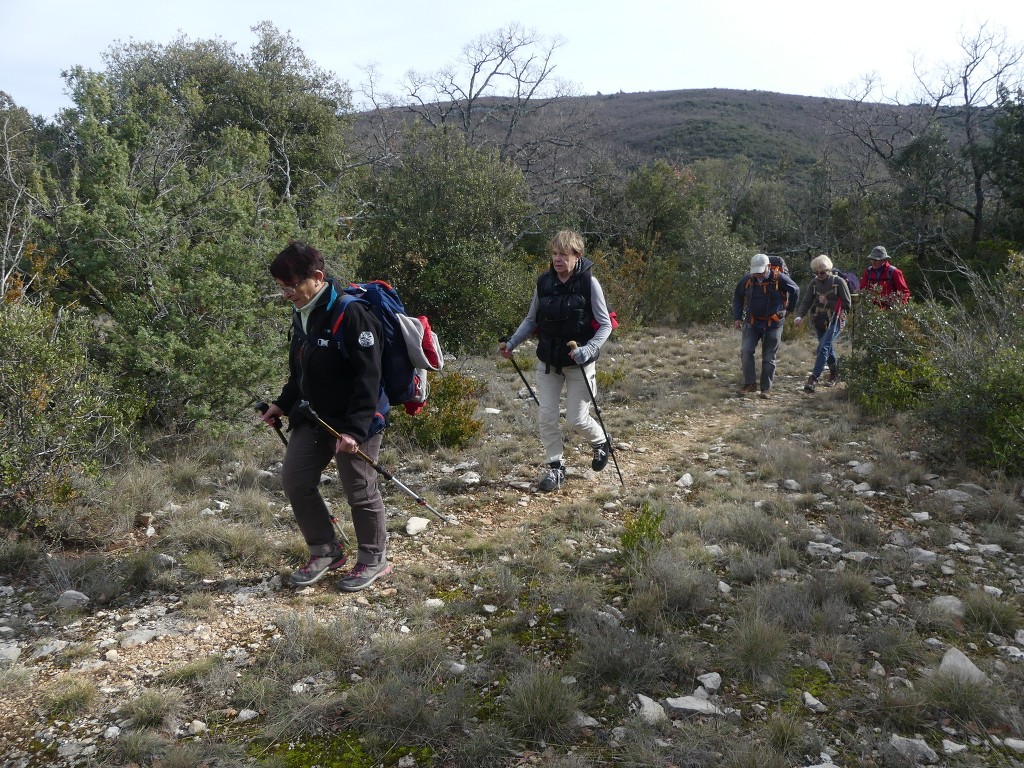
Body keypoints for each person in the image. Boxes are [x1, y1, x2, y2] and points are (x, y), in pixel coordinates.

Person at [259, 241, 392, 592]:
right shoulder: (302, 311)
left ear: (317, 277)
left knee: (359, 490)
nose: (286, 294)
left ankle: (373, 558)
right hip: (314, 416)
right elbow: (300, 371)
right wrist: (282, 404)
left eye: (290, 286)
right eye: (281, 287)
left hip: (355, 420)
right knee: (295, 481)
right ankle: (326, 550)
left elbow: (370, 378)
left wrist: (354, 430)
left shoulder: (352, 313)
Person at [498, 230, 614, 492]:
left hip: (580, 365)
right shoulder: (544, 283)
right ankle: (555, 468)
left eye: (563, 254)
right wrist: (513, 343)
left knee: (575, 418)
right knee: (547, 417)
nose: (557, 259)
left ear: (577, 256)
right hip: (548, 362)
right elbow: (531, 319)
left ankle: (601, 441)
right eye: (554, 254)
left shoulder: (589, 284)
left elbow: (605, 324)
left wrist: (589, 348)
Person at [732, 253, 800, 399]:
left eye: (760, 271)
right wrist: (737, 318)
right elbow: (738, 296)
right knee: (746, 351)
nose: (758, 274)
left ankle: (765, 389)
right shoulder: (748, 279)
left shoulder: (779, 278)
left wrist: (789, 309)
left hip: (773, 324)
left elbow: (795, 290)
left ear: (768, 267)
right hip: (752, 322)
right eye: (755, 271)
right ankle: (750, 384)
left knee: (769, 357)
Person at [794, 254, 852, 392]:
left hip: (836, 319)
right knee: (827, 348)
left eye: (822, 272)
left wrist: (828, 303)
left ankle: (813, 378)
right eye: (816, 272)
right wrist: (799, 316)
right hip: (819, 319)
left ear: (829, 270)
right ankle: (834, 373)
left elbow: (847, 304)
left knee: (822, 347)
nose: (819, 275)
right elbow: (807, 301)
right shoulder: (814, 283)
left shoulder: (839, 282)